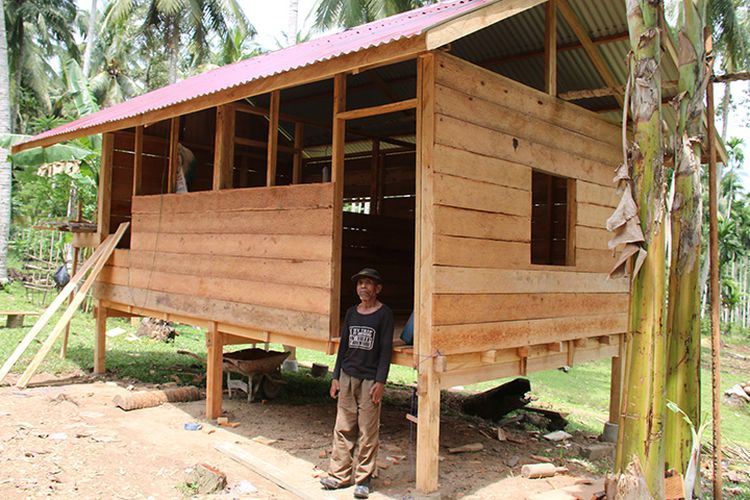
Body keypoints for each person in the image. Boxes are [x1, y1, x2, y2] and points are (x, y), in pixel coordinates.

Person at [320, 268, 394, 499]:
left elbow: (385, 351)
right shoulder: (352, 312)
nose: (363, 287)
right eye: (360, 283)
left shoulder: (385, 315)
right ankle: (339, 475)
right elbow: (343, 348)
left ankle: (363, 479)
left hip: (370, 379)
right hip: (347, 376)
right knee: (343, 426)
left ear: (378, 288)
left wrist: (380, 381)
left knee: (367, 429)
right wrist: (335, 377)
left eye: (369, 283)